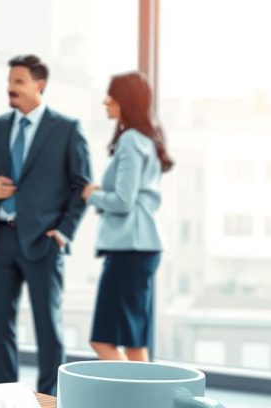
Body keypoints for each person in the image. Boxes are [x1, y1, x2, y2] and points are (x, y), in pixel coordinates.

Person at [0, 55, 91, 395]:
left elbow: (81, 186)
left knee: (47, 328)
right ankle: (3, 399)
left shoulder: (67, 129)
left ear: (39, 84)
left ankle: (51, 402)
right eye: (10, 81)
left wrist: (64, 232)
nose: (11, 88)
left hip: (43, 240)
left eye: (19, 81)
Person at [82, 72, 171, 362]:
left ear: (126, 102)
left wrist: (91, 194)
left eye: (112, 95)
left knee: (103, 341)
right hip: (141, 247)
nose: (106, 101)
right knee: (133, 343)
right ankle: (144, 404)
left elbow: (122, 200)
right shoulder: (146, 139)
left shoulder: (131, 140)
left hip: (130, 249)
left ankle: (132, 404)